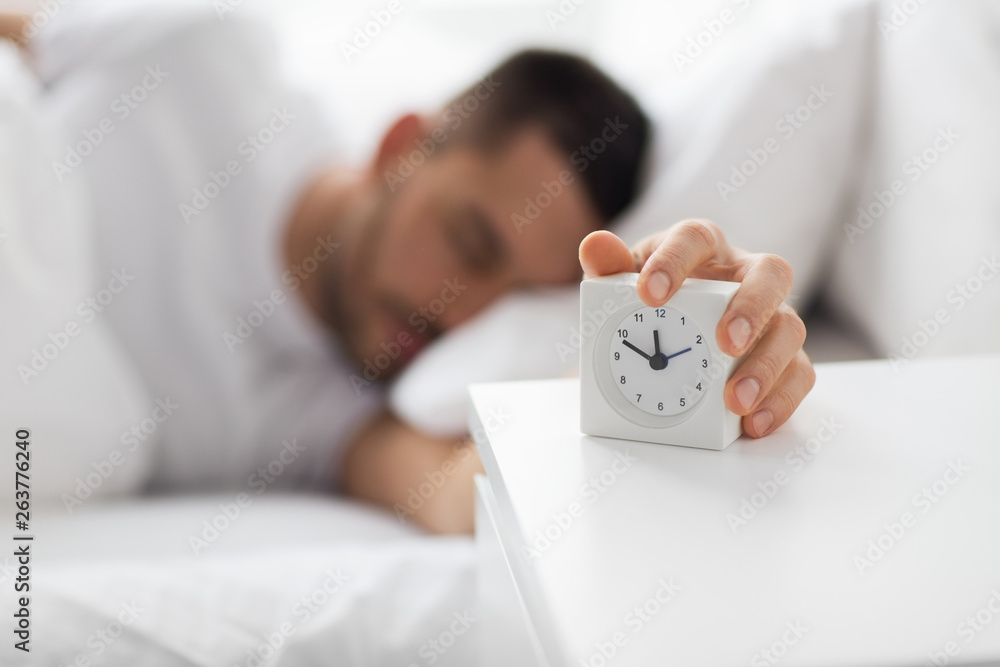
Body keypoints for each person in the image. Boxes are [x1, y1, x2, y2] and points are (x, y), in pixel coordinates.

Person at [0, 4, 812, 533]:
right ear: (399, 150)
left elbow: (462, 495)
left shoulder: (328, 413)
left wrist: (690, 353)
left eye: (513, 298)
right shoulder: (208, 44)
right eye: (472, 243)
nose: (463, 314)